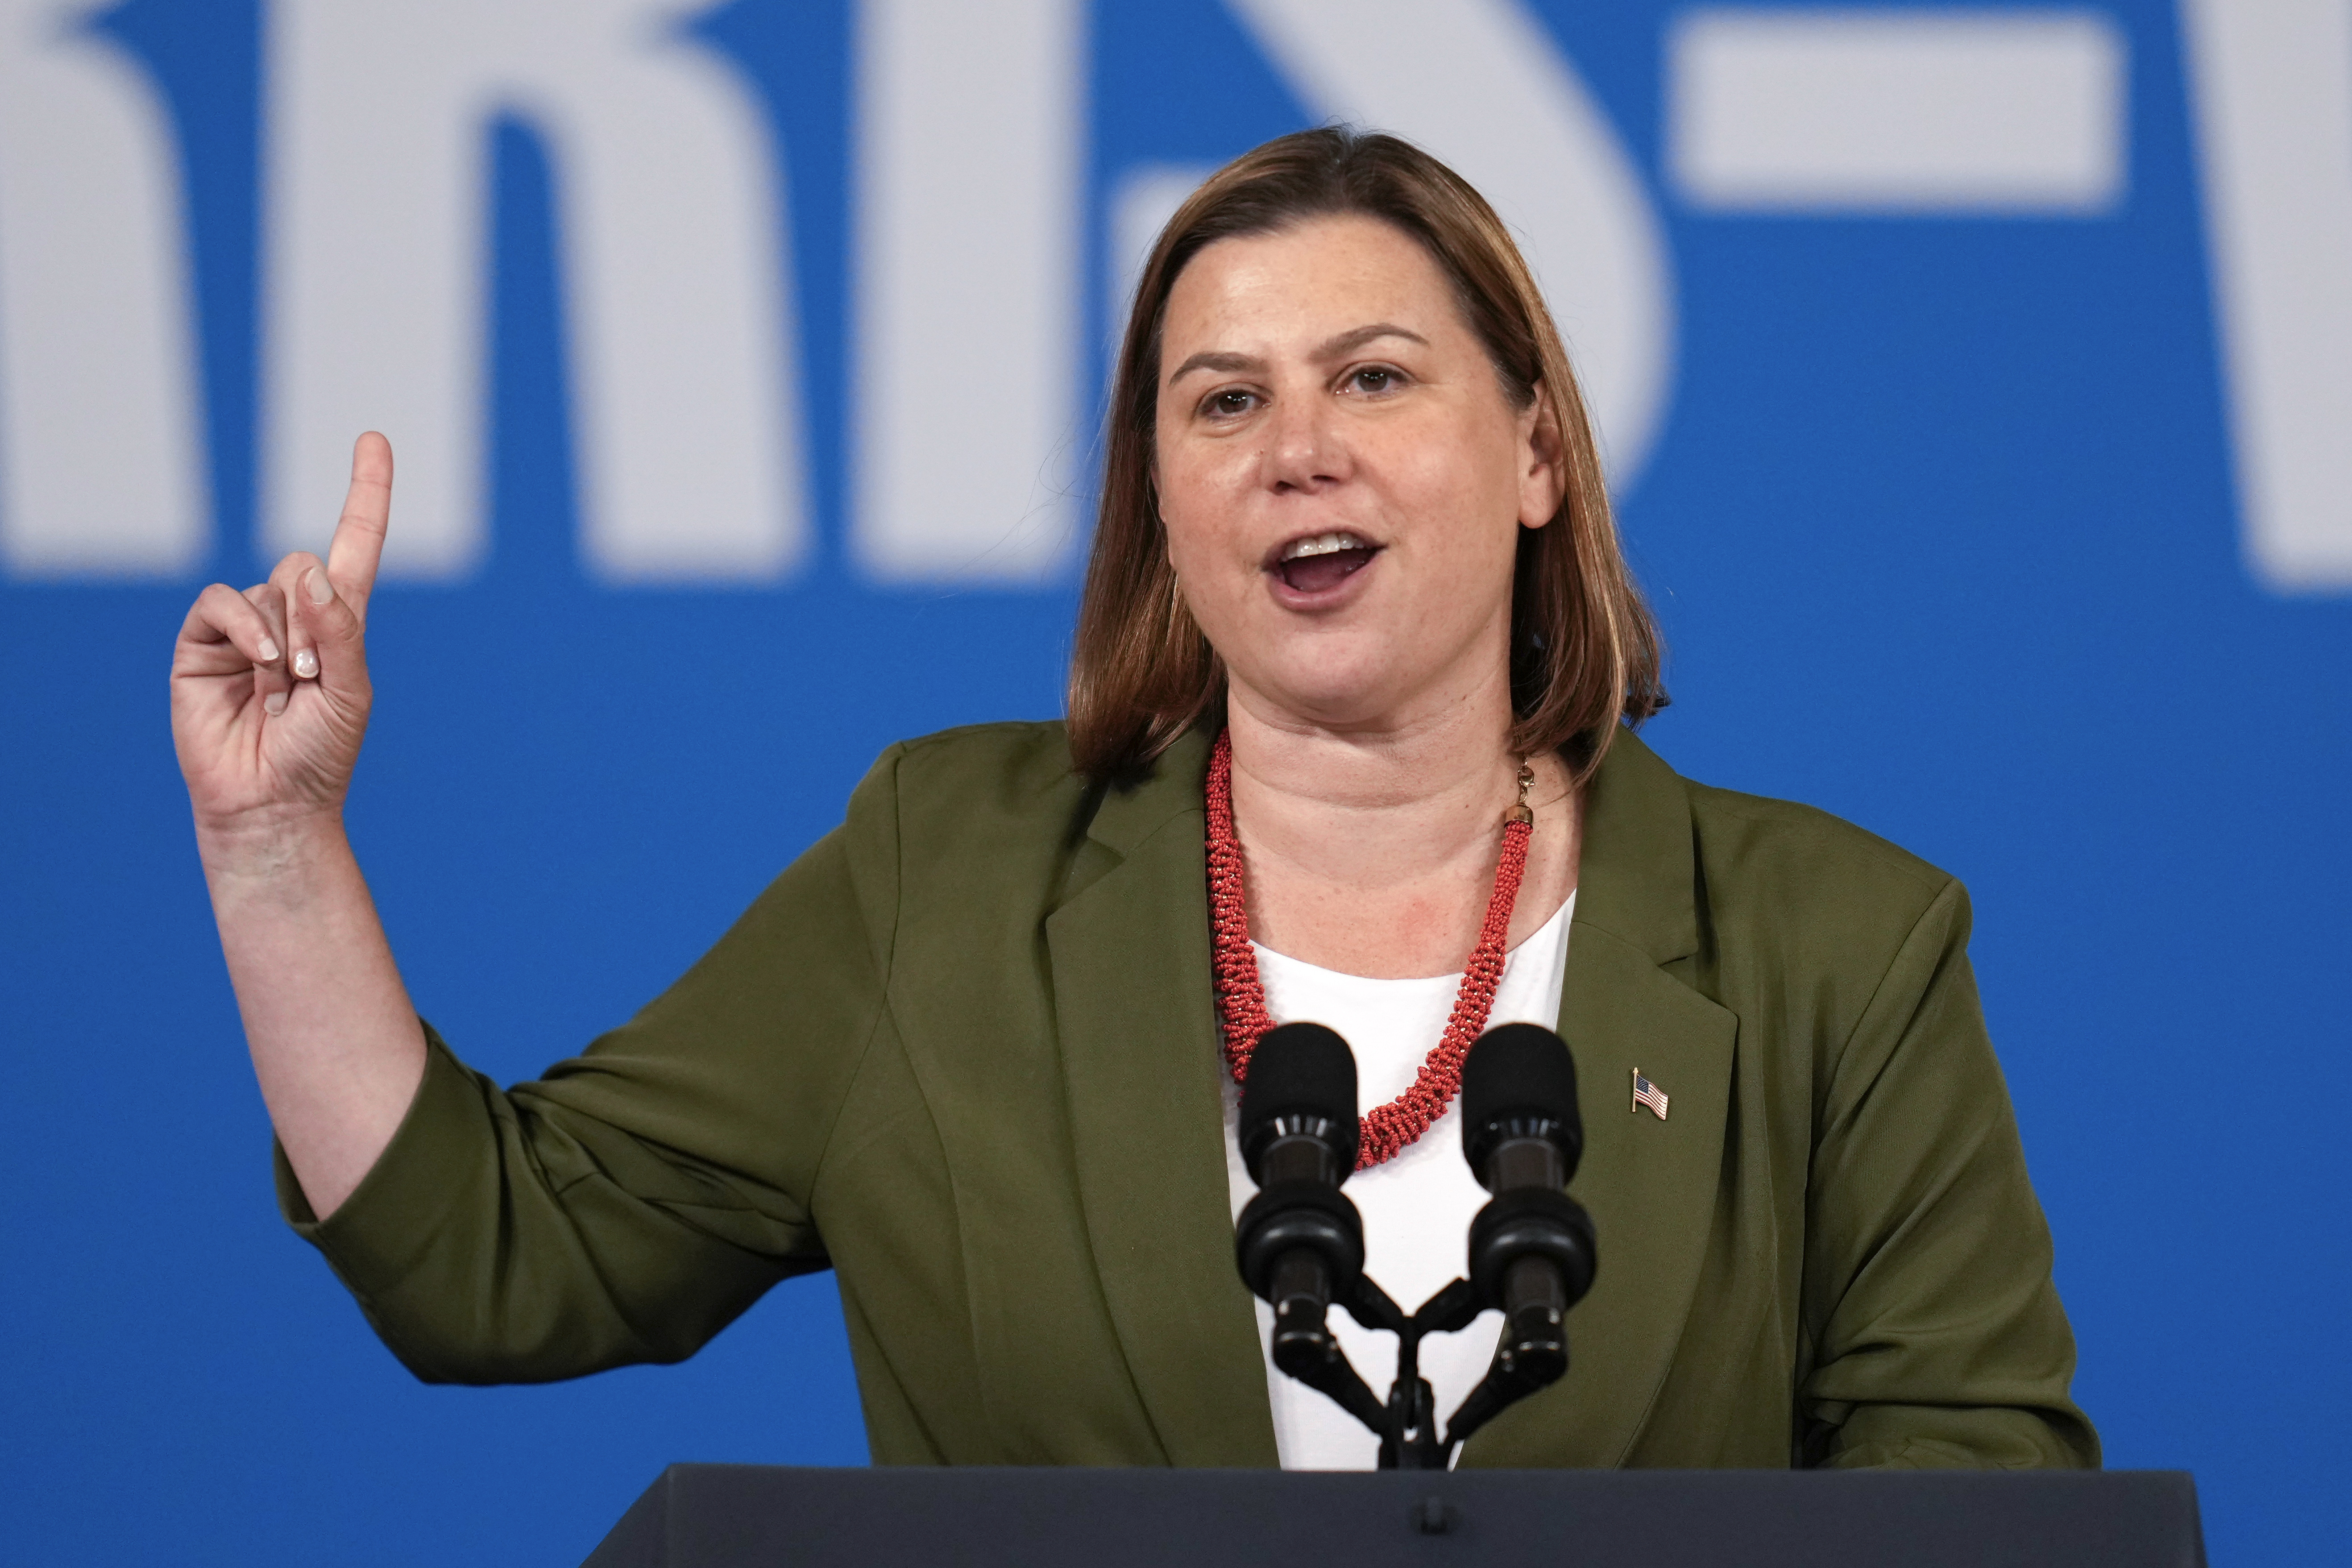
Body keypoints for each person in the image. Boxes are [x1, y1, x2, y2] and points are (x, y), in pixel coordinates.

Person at [170, 128, 2096, 1470]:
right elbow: (495, 1256)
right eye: (1222, 401)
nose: (1297, 450)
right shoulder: (950, 882)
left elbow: (1977, 1481)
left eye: (1373, 376)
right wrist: (273, 851)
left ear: (1532, 455)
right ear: (1164, 517)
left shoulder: (1840, 946)